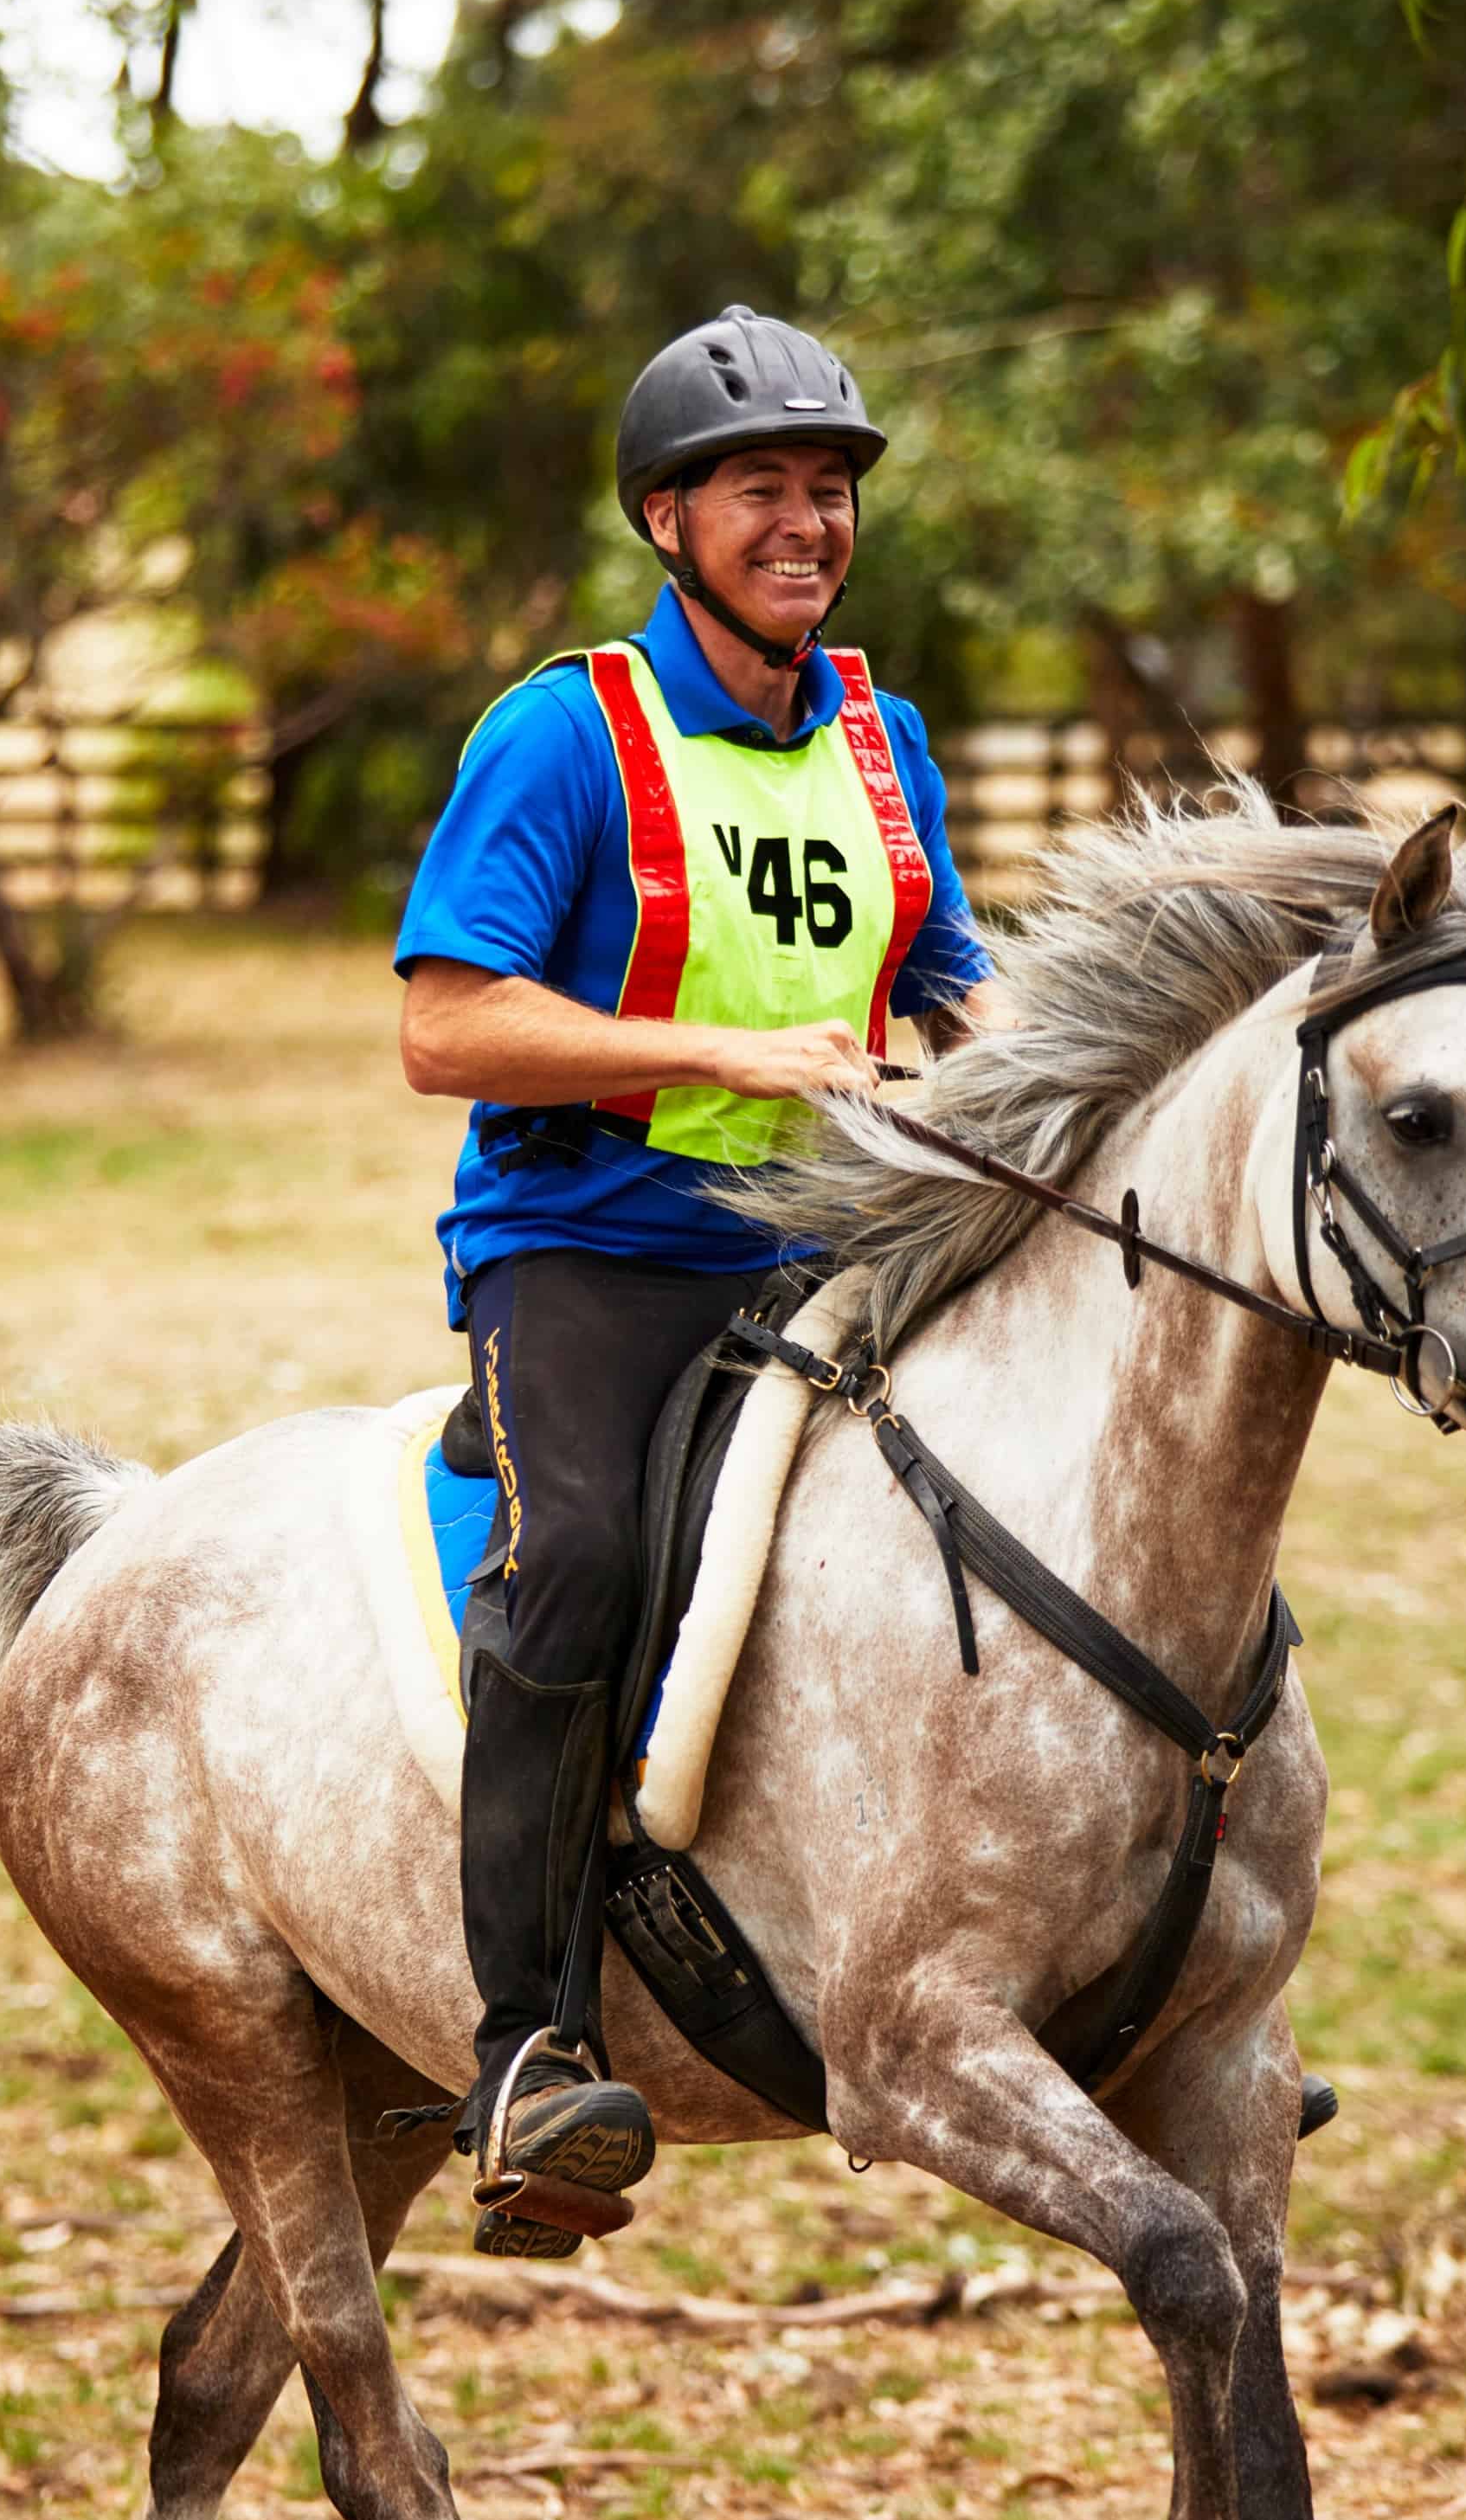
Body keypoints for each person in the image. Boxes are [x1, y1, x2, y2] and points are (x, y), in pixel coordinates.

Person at [396, 304, 1013, 2254]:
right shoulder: (558, 731)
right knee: (576, 1555)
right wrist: (723, 1056)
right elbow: (446, 1031)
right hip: (591, 1251)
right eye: (762, 490)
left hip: (833, 1242)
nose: (806, 523)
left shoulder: (876, 735)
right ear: (669, 520)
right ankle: (524, 2051)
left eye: (829, 492)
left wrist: (1035, 1093)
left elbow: (956, 982)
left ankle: (1109, 1975)